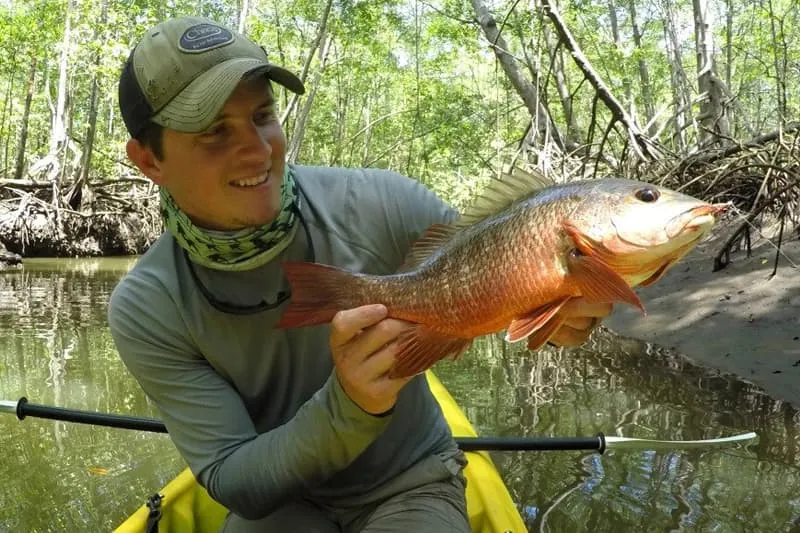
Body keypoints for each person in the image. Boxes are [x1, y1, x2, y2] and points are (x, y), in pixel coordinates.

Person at [108, 15, 612, 532]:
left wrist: (566, 314)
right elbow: (236, 482)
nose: (259, 150)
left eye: (263, 115)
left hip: (411, 479)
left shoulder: (381, 202)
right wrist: (349, 405)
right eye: (215, 131)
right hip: (283, 502)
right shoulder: (148, 306)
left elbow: (503, 272)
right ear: (149, 161)